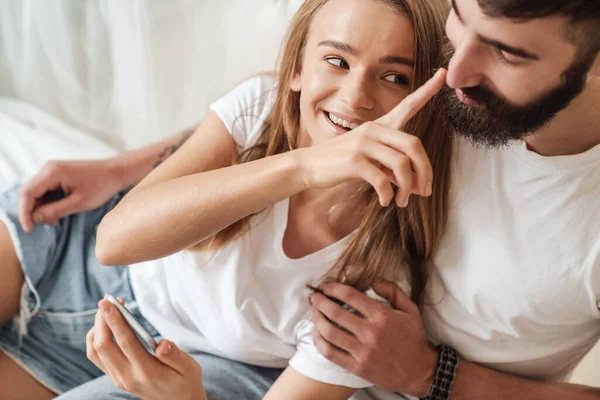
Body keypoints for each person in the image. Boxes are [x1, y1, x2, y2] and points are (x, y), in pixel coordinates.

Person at [0, 0, 453, 399]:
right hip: (72, 252)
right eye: (336, 61)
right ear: (296, 69)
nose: (355, 97)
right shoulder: (258, 109)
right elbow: (114, 241)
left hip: (184, 365)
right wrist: (305, 167)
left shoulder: (372, 285)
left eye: (394, 77)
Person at [308, 0, 600, 399]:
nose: (456, 75)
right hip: (276, 357)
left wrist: (429, 373)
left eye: (507, 53)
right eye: (459, 19)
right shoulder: (426, 55)